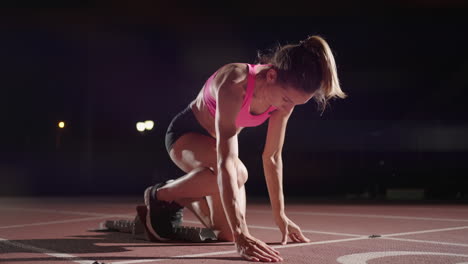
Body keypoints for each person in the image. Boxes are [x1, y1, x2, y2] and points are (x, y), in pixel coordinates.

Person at [143, 35, 347, 262]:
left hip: (215, 149)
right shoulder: (234, 83)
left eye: (295, 104)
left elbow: (272, 157)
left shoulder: (283, 99)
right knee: (239, 175)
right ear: (271, 76)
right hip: (185, 137)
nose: (287, 108)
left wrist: (280, 216)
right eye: (287, 99)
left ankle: (183, 196)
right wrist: (243, 234)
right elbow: (226, 161)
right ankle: (160, 195)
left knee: (227, 233)